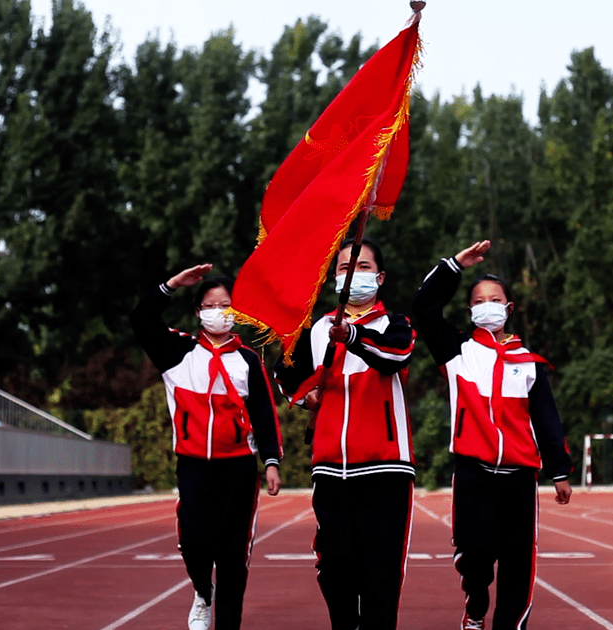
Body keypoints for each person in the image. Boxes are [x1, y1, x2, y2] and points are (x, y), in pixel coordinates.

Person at [411, 240, 573, 630]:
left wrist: (560, 470)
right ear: (471, 311)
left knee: (519, 564)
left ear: (508, 309)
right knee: (477, 552)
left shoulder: (529, 364)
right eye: (479, 300)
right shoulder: (457, 352)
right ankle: (476, 606)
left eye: (495, 299)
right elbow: (421, 308)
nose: (488, 304)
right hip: (474, 476)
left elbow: (547, 420)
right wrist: (455, 266)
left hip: (519, 478)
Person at [130, 264, 283, 630]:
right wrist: (171, 285)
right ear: (199, 312)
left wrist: (272, 460)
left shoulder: (247, 360)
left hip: (239, 469)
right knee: (194, 541)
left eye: (226, 305)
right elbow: (141, 320)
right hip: (194, 464)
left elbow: (264, 414)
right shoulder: (177, 351)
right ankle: (202, 591)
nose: (219, 312)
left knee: (233, 555)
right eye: (211, 305)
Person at [274, 236, 416, 630]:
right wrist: (306, 395)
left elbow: (396, 357)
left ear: (381, 277)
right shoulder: (318, 329)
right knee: (334, 567)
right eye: (343, 268)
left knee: (381, 572)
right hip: (331, 469)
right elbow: (284, 371)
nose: (353, 275)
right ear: (334, 280)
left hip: (386, 467)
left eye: (363, 267)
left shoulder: (395, 325)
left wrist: (352, 337)